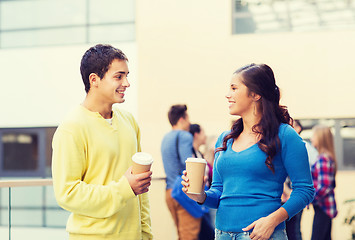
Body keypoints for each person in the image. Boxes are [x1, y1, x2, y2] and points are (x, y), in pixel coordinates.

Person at [181, 63, 315, 240]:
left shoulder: (284, 135)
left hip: (262, 235)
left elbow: (305, 190)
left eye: (234, 88)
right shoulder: (224, 139)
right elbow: (219, 192)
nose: (227, 95)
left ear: (256, 94)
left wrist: (272, 221)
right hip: (222, 234)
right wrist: (200, 195)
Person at [52, 44, 153, 240]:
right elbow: (67, 193)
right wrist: (125, 188)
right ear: (94, 79)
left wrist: (146, 234)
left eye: (127, 75)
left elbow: (141, 190)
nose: (127, 83)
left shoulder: (129, 121)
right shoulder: (71, 127)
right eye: (119, 76)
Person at [161, 104, 201, 240]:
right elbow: (188, 164)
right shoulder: (185, 136)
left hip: (169, 192)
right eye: (188, 118)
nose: (189, 122)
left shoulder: (165, 138)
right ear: (182, 119)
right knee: (189, 236)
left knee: (180, 234)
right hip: (183, 192)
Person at [283, 119, 318, 240]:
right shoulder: (284, 144)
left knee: (294, 231)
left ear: (298, 128)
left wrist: (293, 193)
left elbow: (314, 171)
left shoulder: (304, 147)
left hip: (294, 194)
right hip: (285, 196)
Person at [310, 125, 338, 240]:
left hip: (323, 208)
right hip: (324, 207)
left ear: (321, 138)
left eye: (314, 136)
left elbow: (324, 187)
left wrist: (309, 198)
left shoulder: (323, 159)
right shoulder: (325, 157)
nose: (311, 138)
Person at [189, 124, 215, 240]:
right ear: (196, 134)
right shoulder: (192, 155)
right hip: (198, 196)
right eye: (203, 133)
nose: (205, 136)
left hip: (206, 196)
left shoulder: (199, 153)